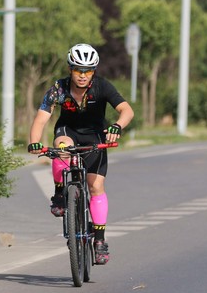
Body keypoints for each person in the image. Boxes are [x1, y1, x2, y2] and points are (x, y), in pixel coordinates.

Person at [27, 43, 134, 265]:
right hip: (68, 131)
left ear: (94, 71)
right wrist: (34, 142)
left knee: (96, 187)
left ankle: (100, 240)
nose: (83, 75)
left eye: (88, 71)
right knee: (62, 148)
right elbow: (41, 118)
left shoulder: (102, 86)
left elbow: (126, 110)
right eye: (78, 70)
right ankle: (59, 194)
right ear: (70, 69)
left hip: (95, 136)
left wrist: (117, 126)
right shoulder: (59, 89)